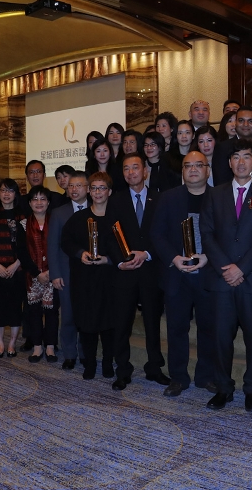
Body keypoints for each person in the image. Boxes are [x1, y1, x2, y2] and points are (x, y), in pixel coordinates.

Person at [202, 139, 252, 412]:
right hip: (221, 280)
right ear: (229, 162)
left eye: (247, 157)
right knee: (221, 337)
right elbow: (207, 235)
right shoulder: (215, 194)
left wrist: (241, 268)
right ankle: (223, 388)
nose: (241, 162)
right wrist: (226, 268)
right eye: (236, 157)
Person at [152, 151, 218, 396]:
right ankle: (178, 377)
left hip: (207, 273)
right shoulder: (168, 198)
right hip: (177, 273)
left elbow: (225, 236)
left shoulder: (219, 197)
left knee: (208, 327)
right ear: (182, 171)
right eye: (187, 165)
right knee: (177, 328)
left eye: (198, 165)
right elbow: (157, 234)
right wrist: (174, 258)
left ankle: (206, 376)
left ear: (207, 170)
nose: (193, 169)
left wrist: (208, 258)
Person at [104, 154, 167, 390]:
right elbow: (110, 236)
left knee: (152, 323)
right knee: (122, 324)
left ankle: (154, 368)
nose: (131, 172)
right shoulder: (116, 201)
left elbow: (163, 234)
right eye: (126, 169)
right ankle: (123, 370)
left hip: (151, 271)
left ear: (145, 171)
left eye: (135, 168)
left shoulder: (159, 199)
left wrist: (147, 253)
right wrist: (121, 261)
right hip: (125, 272)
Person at [60, 173, 118, 379]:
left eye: (102, 188)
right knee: (87, 323)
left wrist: (108, 260)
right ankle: (90, 363)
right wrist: (80, 253)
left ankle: (109, 363)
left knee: (110, 324)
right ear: (89, 192)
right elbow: (65, 242)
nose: (98, 192)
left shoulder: (117, 219)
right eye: (94, 188)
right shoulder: (78, 218)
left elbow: (125, 248)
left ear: (109, 192)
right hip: (84, 280)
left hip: (110, 280)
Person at [0, 179, 36, 358]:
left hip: (17, 269)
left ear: (16, 194)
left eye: (10, 191)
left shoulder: (23, 216)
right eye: (3, 190)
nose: (6, 194)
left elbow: (28, 245)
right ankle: (0, 343)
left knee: (15, 306)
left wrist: (16, 265)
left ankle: (12, 343)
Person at [47, 173, 88, 370]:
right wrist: (54, 273)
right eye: (71, 186)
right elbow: (52, 245)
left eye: (79, 185)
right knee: (69, 315)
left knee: (87, 315)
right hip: (66, 273)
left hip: (91, 273)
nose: (74, 189)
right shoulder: (59, 212)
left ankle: (86, 352)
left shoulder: (97, 208)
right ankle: (70, 353)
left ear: (87, 188)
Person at [22, 188, 58, 362]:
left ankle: (50, 346)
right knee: (34, 313)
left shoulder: (56, 222)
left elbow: (60, 249)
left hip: (53, 275)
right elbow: (22, 253)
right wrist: (37, 274)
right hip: (32, 276)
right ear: (29, 203)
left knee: (51, 312)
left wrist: (51, 272)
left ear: (48, 202)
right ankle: (37, 347)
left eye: (42, 199)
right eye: (34, 199)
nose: (38, 202)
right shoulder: (23, 224)